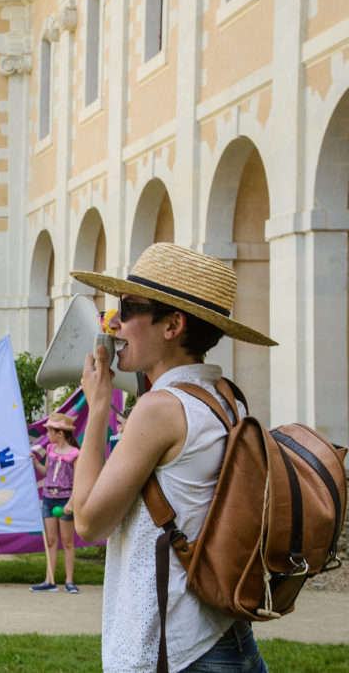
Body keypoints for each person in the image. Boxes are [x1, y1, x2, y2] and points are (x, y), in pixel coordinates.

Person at [71, 243, 274, 672]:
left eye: (127, 308)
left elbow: (88, 522)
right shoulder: (225, 397)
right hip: (224, 635)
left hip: (182, 650)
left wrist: (98, 406)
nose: (114, 323)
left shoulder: (161, 409)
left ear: (173, 325)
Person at [29, 412, 80, 594]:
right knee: (51, 540)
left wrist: (71, 504)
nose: (47, 435)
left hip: (65, 499)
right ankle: (49, 579)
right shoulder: (50, 450)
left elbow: (79, 480)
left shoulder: (75, 454)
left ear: (60, 433)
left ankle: (69, 581)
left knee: (67, 541)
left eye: (50, 431)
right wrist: (36, 463)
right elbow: (47, 473)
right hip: (49, 498)